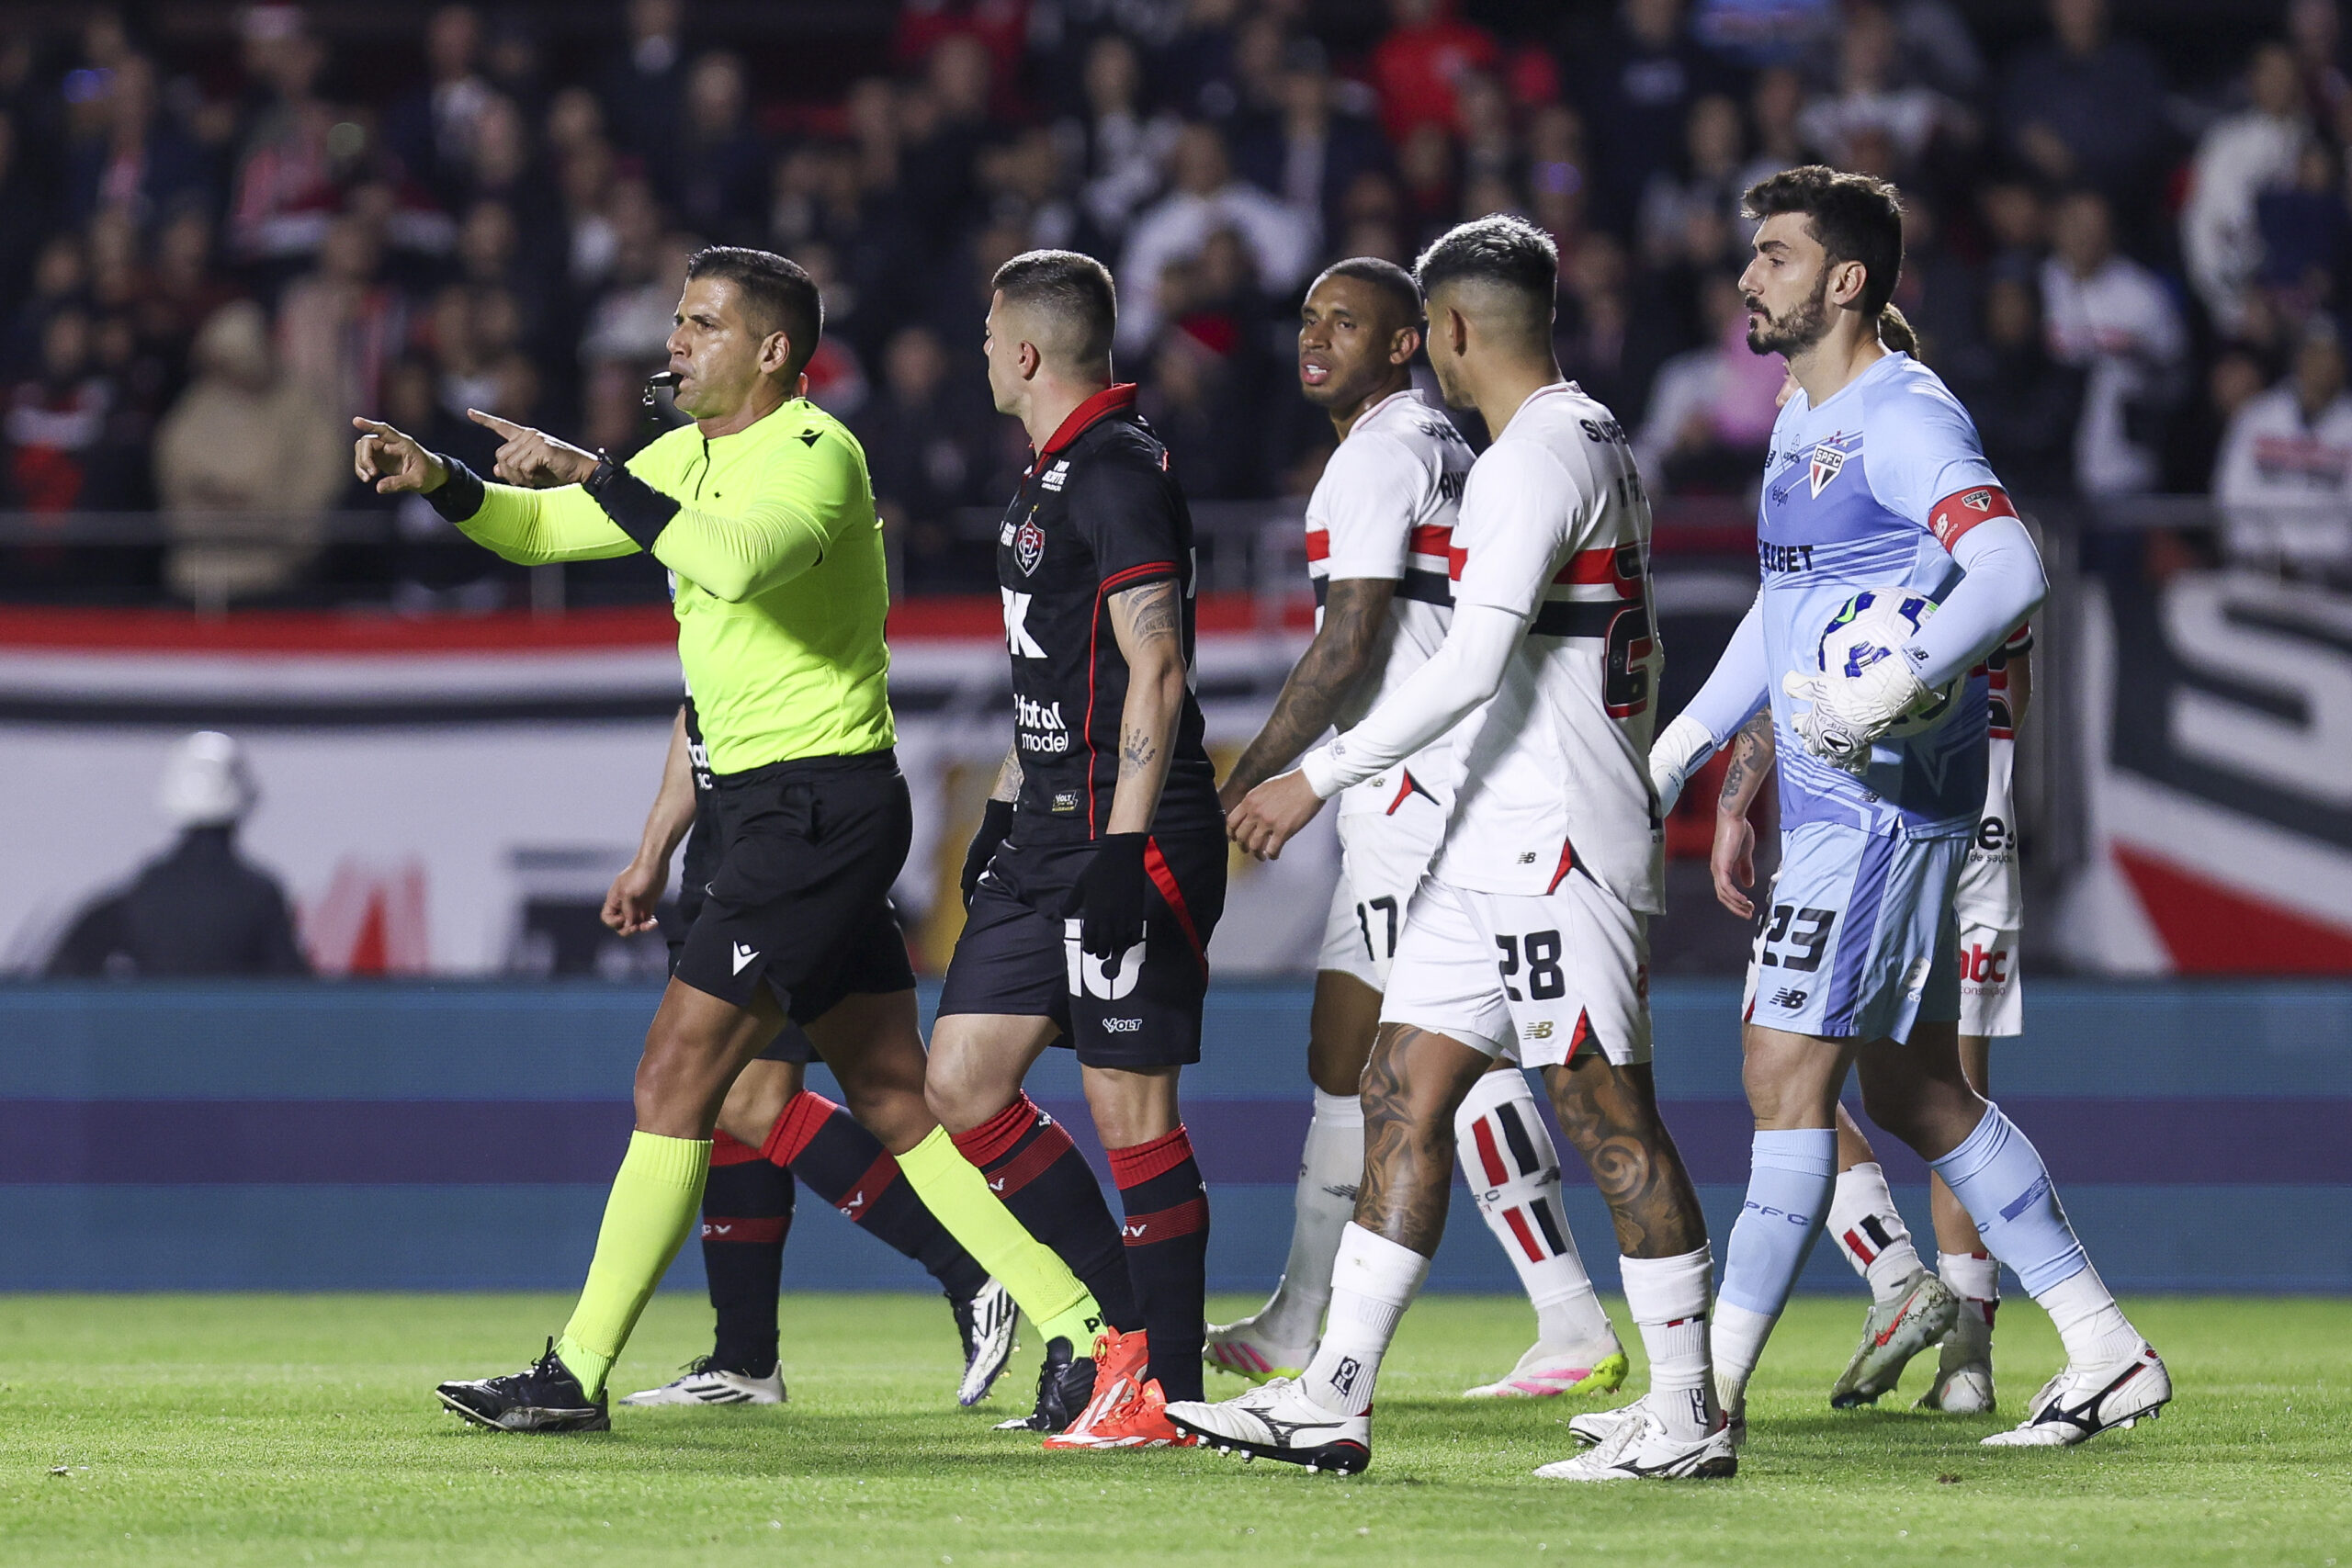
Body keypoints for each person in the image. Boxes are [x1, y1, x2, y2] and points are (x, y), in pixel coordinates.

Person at [354, 244, 1108, 1433]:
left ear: (771, 349)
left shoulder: (816, 451)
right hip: (774, 810)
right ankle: (1077, 1324)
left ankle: (575, 1375)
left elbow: (735, 560)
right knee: (891, 1092)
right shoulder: (680, 457)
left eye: (702, 323)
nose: (674, 342)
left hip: (813, 808)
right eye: (677, 319)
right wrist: (441, 478)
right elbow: (543, 532)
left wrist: (597, 471)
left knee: (675, 1076)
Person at [1176, 215, 1731, 1483]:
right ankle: (1335, 1394)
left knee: (1604, 1112)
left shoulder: (1532, 460)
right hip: (1491, 836)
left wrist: (1316, 775)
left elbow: (1472, 664)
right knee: (1400, 1088)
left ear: (1451, 330)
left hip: (1554, 843)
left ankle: (1687, 1409)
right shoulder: (1587, 437)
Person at [1644, 165, 2168, 1450]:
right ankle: (2106, 1349)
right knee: (1919, 1091)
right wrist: (1682, 748)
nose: (1747, 276)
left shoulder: (1902, 411)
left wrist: (1899, 678)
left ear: (1845, 281)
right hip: (1842, 804)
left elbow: (2009, 566)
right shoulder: (1799, 417)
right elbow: (1783, 607)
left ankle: (1695, 1405)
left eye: (1775, 256)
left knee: (1783, 1074)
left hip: (1880, 809)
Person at [925, 250, 1228, 1450]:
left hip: (1125, 828)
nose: (980, 354)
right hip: (1048, 820)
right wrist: (1007, 805)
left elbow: (1157, 665)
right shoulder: (1049, 475)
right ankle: (1123, 1332)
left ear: (1027, 352)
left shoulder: (1114, 472)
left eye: (988, 335)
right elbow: (1058, 673)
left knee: (1128, 1106)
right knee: (961, 1079)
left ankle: (1171, 1390)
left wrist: (1122, 845)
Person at [599, 702, 1018, 1410]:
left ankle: (974, 1268)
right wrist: (653, 853)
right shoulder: (712, 645)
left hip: (784, 848)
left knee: (751, 1096)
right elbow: (696, 717)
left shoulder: (777, 640)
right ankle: (745, 1359)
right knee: (781, 1094)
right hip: (742, 850)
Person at [48, 732, 309, 978]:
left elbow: (63, 973)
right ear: (242, 806)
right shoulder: (260, 897)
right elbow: (293, 989)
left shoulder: (142, 893)